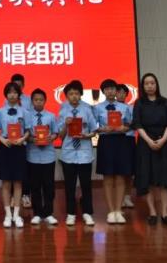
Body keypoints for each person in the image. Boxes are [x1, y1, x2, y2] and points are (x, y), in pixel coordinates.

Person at [132, 73, 167, 227]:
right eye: (146, 83)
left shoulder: (165, 102)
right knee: (149, 179)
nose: (150, 86)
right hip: (145, 144)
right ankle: (152, 212)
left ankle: (165, 213)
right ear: (143, 86)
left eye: (152, 83)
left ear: (156, 84)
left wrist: (162, 140)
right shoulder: (139, 103)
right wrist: (149, 141)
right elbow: (137, 124)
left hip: (164, 142)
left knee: (165, 180)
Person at [58, 80, 98, 227]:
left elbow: (94, 130)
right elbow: (60, 136)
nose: (74, 96)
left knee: (86, 185)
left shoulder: (87, 109)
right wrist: (65, 125)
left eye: (76, 93)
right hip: (68, 153)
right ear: (67, 96)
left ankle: (87, 213)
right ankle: (71, 213)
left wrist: (86, 136)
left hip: (84, 153)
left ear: (80, 94)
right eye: (71, 94)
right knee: (70, 185)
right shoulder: (63, 111)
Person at [94, 79, 133, 225]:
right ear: (103, 91)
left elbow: (129, 125)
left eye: (112, 89)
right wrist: (104, 129)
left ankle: (118, 210)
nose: (110, 91)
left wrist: (124, 128)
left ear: (116, 91)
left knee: (120, 176)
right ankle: (111, 211)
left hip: (121, 142)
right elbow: (93, 127)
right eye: (107, 89)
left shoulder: (124, 107)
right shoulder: (97, 108)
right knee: (108, 177)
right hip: (106, 142)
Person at [0, 82, 30, 228]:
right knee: (6, 183)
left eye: (15, 92)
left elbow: (28, 131)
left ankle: (16, 214)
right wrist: (3, 140)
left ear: (19, 95)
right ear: (6, 95)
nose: (12, 95)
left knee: (18, 182)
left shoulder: (25, 112)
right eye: (9, 92)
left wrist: (22, 139)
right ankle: (8, 215)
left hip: (19, 148)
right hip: (6, 147)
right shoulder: (0, 112)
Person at [25, 88, 59, 226]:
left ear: (45, 101)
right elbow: (26, 134)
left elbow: (56, 132)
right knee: (35, 186)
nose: (38, 102)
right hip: (32, 155)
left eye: (41, 100)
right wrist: (31, 139)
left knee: (49, 186)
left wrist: (52, 137)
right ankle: (37, 213)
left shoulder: (51, 116)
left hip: (48, 156)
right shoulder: (27, 116)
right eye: (36, 100)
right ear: (32, 101)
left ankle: (49, 213)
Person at [9, 73, 32, 209]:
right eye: (14, 85)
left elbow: (31, 117)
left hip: (26, 138)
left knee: (25, 168)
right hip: (12, 141)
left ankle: (25, 195)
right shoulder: (7, 102)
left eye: (19, 85)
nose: (17, 88)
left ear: (23, 85)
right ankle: (13, 195)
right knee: (14, 168)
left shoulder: (29, 100)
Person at [116, 83, 135, 209]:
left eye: (124, 93)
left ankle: (127, 197)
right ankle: (119, 198)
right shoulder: (111, 107)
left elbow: (135, 123)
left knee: (129, 171)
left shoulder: (131, 108)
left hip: (129, 140)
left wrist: (128, 125)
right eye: (119, 92)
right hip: (116, 139)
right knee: (118, 171)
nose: (121, 95)